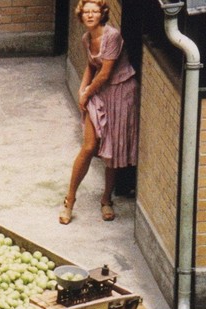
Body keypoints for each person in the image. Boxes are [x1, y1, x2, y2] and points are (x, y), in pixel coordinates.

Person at [59, 0, 139, 224]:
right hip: (99, 92)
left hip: (120, 93)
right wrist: (81, 89)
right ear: (81, 16)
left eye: (94, 12)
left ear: (102, 14)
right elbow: (91, 67)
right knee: (89, 147)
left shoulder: (112, 36)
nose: (90, 16)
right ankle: (69, 201)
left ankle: (106, 200)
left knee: (111, 152)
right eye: (86, 12)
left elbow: (105, 74)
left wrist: (86, 93)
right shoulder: (86, 38)